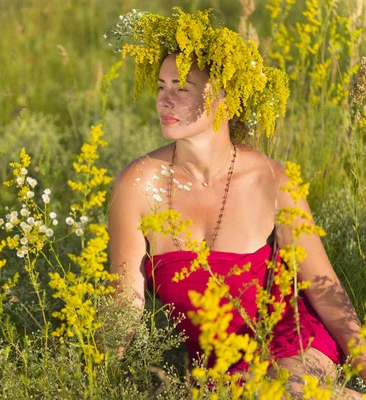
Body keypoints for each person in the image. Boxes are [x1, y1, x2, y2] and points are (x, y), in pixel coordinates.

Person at [107, 8, 366, 397]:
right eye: (161, 86)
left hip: (293, 343)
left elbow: (324, 289)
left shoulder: (273, 180)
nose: (165, 100)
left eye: (182, 88)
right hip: (220, 370)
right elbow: (125, 299)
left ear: (226, 101)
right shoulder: (138, 184)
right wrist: (94, 373)